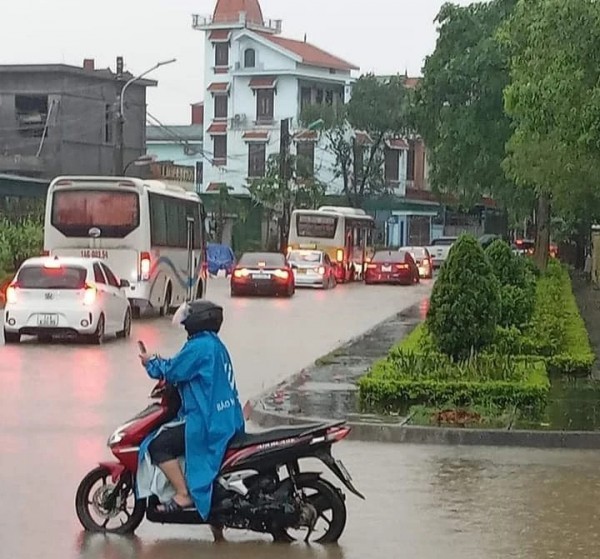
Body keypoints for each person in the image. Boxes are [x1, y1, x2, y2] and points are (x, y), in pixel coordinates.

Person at [137, 300, 245, 541]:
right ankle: (216, 526)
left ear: (197, 321)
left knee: (159, 445)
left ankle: (183, 493)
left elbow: (173, 370)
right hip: (227, 419)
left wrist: (150, 362)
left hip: (207, 422)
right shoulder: (214, 345)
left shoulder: (199, 347)